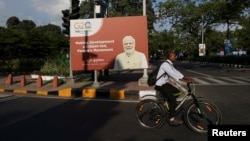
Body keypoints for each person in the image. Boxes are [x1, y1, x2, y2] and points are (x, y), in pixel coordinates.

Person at [155, 52, 193, 126]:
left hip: (164, 84)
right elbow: (172, 73)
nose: (176, 57)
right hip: (160, 85)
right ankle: (171, 119)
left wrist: (185, 78)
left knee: (177, 92)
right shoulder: (165, 64)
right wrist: (184, 80)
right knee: (173, 100)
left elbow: (176, 72)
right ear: (171, 56)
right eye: (175, 56)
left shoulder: (170, 64)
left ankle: (166, 105)